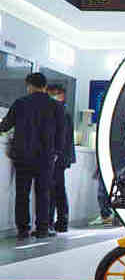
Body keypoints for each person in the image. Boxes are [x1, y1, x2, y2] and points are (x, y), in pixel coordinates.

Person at [0, 73, 65, 239]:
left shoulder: (20, 103)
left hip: (23, 155)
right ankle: (42, 228)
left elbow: (6, 125)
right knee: (43, 193)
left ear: (29, 85)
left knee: (22, 194)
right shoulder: (56, 106)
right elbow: (61, 132)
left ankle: (23, 229)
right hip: (46, 156)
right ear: (44, 86)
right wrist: (57, 152)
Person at [90, 113, 125, 227]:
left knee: (104, 189)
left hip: (114, 160)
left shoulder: (112, 118)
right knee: (122, 189)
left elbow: (112, 142)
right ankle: (120, 217)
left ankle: (106, 216)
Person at [47, 84, 75, 233]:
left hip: (59, 157)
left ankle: (55, 221)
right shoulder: (63, 111)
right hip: (62, 156)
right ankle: (60, 221)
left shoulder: (61, 112)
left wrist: (56, 153)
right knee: (58, 189)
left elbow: (61, 137)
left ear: (62, 95)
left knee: (55, 189)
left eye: (53, 93)